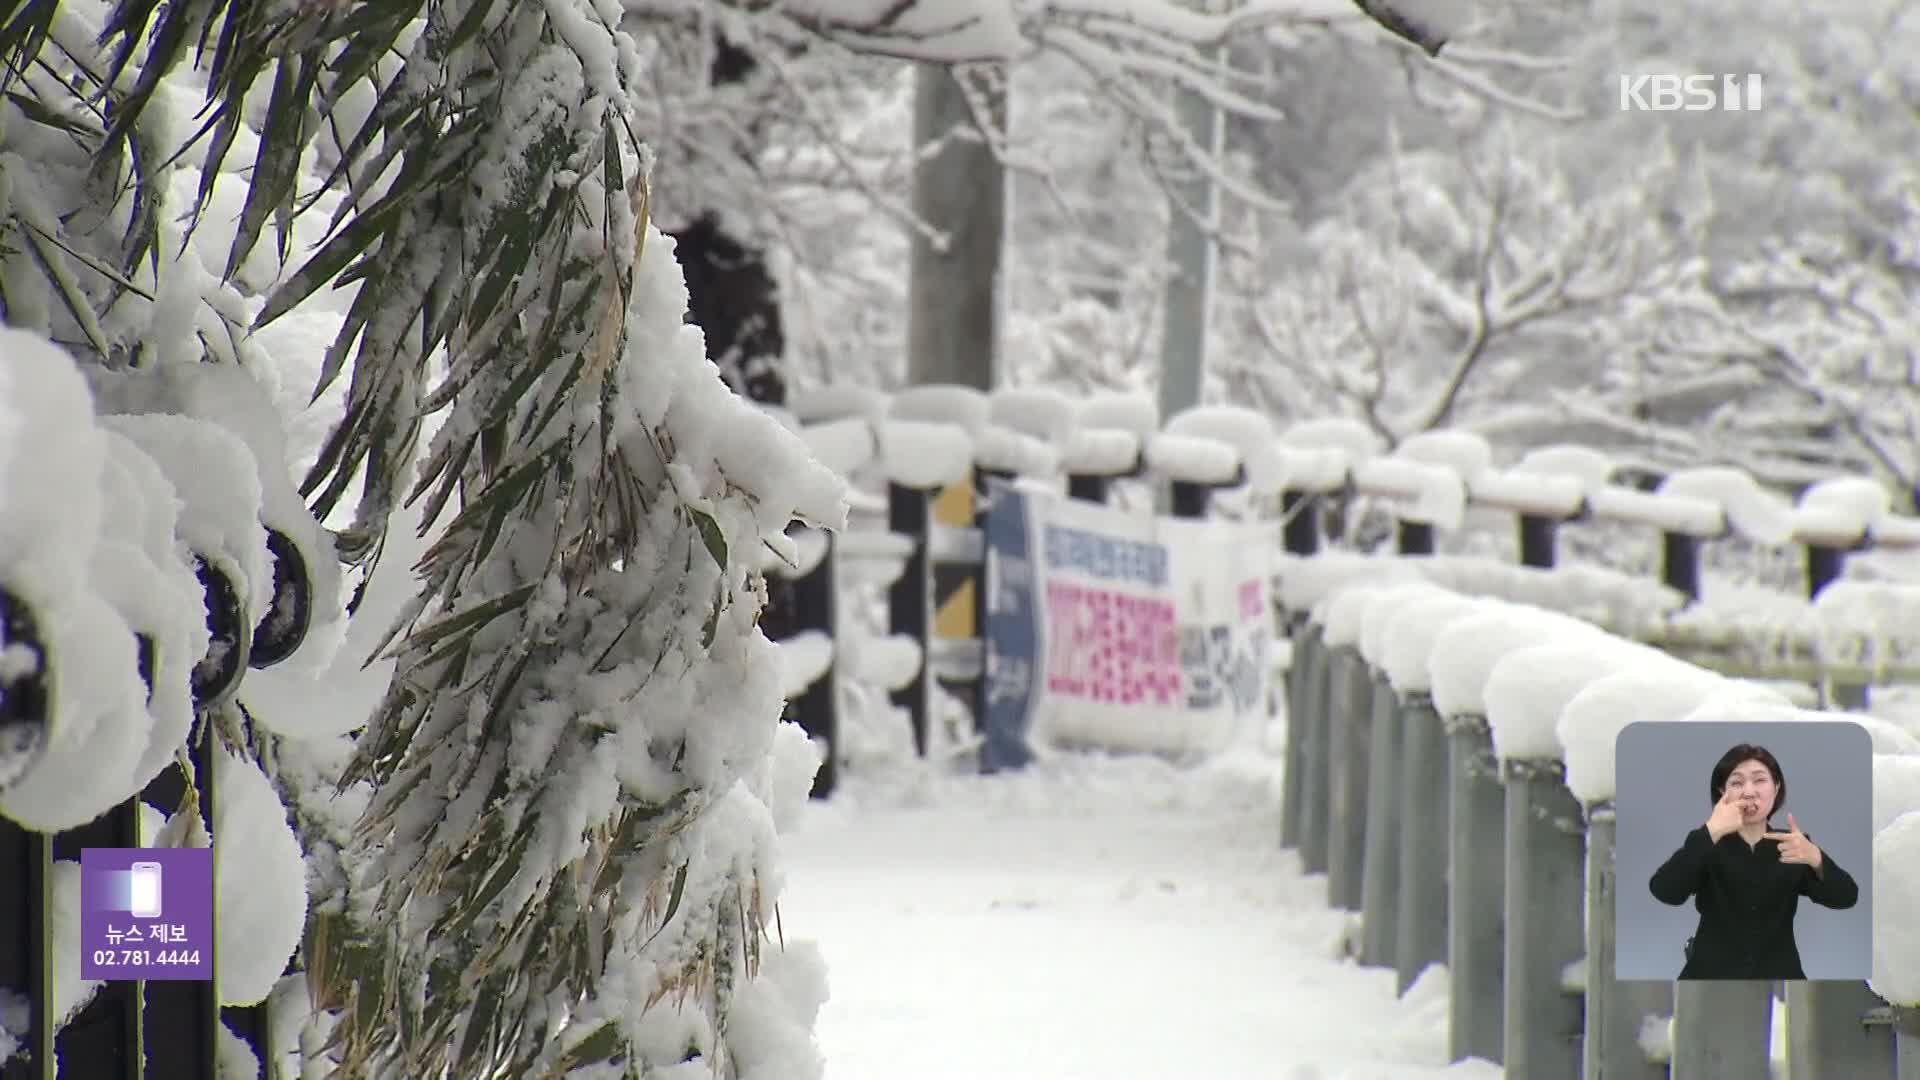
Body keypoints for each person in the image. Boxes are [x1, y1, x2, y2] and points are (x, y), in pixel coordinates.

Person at [1648, 743, 1859, 980]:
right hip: (1710, 979)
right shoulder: (1707, 843)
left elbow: (1847, 896)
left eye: (1759, 780)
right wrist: (1711, 831)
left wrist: (1816, 857)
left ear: (1776, 788)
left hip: (1780, 980)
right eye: (1737, 783)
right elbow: (1664, 890)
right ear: (1721, 791)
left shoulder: (1792, 846)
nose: (1749, 792)